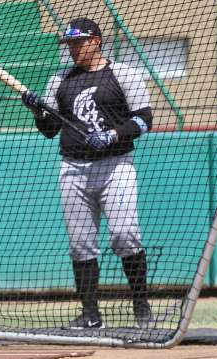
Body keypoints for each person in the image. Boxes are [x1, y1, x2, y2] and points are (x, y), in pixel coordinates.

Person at [20, 18, 153, 329]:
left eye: (78, 42)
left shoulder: (124, 74)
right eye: (70, 44)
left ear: (96, 41)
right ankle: (90, 314)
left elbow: (145, 120)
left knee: (125, 235)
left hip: (116, 166)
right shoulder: (60, 80)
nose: (73, 49)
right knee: (80, 244)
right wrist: (37, 111)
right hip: (73, 168)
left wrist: (113, 135)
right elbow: (50, 130)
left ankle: (141, 306)